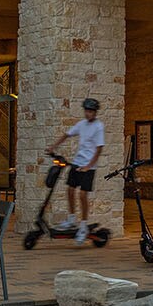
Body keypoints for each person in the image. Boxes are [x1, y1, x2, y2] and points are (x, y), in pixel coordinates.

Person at [47, 98, 106, 242]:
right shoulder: (81, 124)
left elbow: (99, 149)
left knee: (82, 195)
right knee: (70, 190)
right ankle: (72, 219)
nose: (88, 114)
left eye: (91, 111)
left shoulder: (98, 127)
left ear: (95, 112)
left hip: (89, 166)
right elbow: (67, 135)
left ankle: (84, 225)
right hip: (77, 163)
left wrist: (88, 166)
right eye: (86, 111)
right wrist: (53, 147)